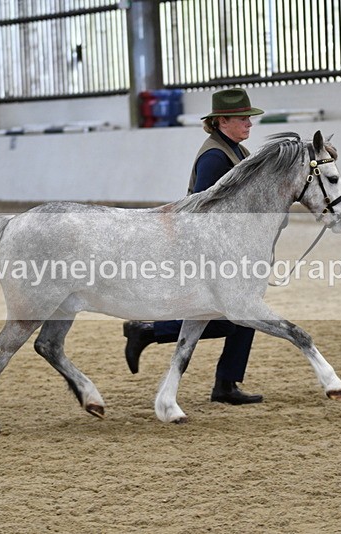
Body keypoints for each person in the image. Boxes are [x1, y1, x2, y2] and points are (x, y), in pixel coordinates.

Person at [123, 87, 265, 405]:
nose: (249, 123)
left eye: (249, 117)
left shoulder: (238, 150)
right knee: (228, 319)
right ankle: (149, 331)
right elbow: (201, 211)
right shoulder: (215, 157)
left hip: (224, 248)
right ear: (222, 121)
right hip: (203, 250)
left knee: (245, 314)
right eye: (243, 118)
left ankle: (226, 384)